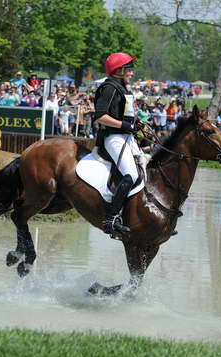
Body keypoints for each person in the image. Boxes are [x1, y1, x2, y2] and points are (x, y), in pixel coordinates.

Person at [94, 52, 142, 236]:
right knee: (130, 174)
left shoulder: (122, 88)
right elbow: (101, 116)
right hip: (113, 137)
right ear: (119, 70)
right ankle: (111, 218)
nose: (131, 72)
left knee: (146, 167)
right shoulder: (109, 88)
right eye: (128, 69)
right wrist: (125, 125)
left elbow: (126, 114)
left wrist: (136, 123)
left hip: (127, 137)